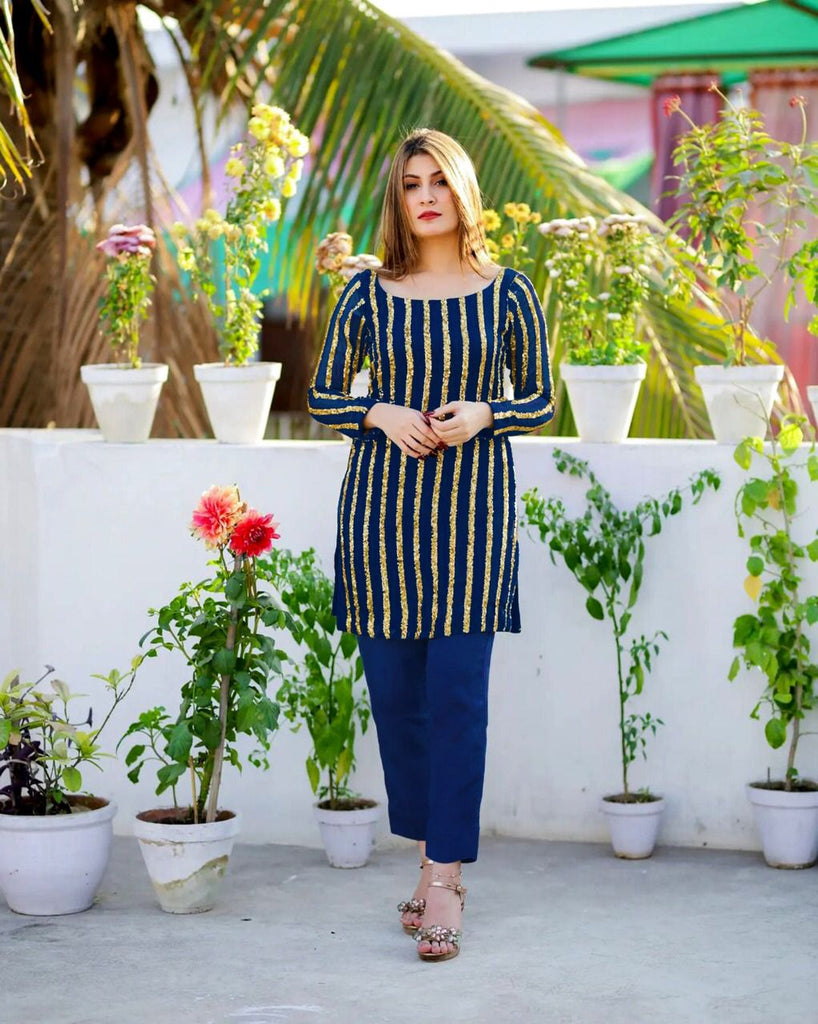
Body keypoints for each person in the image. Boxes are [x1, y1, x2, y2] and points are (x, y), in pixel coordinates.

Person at [308, 128, 554, 963]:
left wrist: (487, 412)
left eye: (439, 182)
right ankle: (427, 856)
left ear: (462, 192)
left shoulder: (508, 292)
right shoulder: (368, 294)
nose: (425, 196)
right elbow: (322, 394)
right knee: (396, 702)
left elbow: (541, 399)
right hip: (380, 519)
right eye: (411, 183)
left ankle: (446, 878)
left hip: (474, 522)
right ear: (398, 198)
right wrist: (378, 412)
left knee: (456, 700)